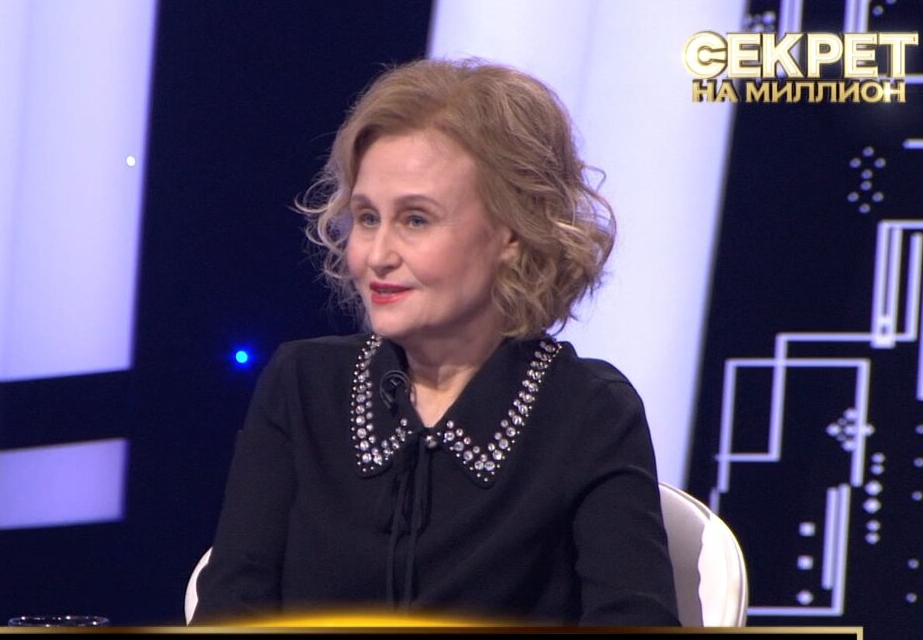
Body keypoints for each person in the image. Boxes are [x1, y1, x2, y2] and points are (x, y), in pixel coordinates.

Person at [192, 59, 679, 626]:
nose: (377, 255)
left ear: (512, 232)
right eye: (367, 218)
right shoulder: (303, 386)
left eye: (416, 220)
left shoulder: (587, 411)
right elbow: (231, 610)